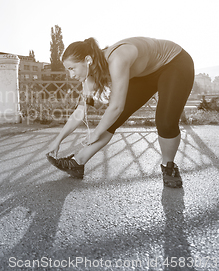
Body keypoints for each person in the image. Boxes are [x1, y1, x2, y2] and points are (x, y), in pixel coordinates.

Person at [46, 37, 194, 188]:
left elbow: (117, 107)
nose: (71, 75)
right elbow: (80, 112)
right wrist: (58, 140)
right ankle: (77, 163)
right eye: (68, 70)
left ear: (88, 60)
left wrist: (96, 132)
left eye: (72, 68)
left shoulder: (117, 59)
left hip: (174, 63)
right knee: (110, 121)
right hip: (145, 74)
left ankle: (169, 167)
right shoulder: (88, 78)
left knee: (165, 122)